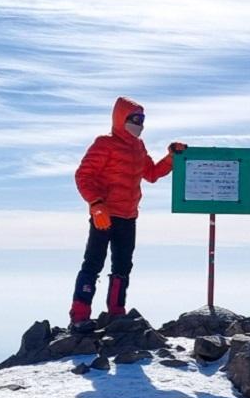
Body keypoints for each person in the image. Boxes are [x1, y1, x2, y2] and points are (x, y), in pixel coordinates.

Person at [68, 96, 186, 331]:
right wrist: (96, 204)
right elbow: (83, 176)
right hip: (105, 215)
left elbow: (151, 173)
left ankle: (116, 312)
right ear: (121, 119)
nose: (139, 124)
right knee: (93, 263)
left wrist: (171, 158)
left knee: (123, 265)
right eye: (135, 118)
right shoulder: (104, 144)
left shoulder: (138, 147)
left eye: (142, 119)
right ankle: (79, 316)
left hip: (129, 216)